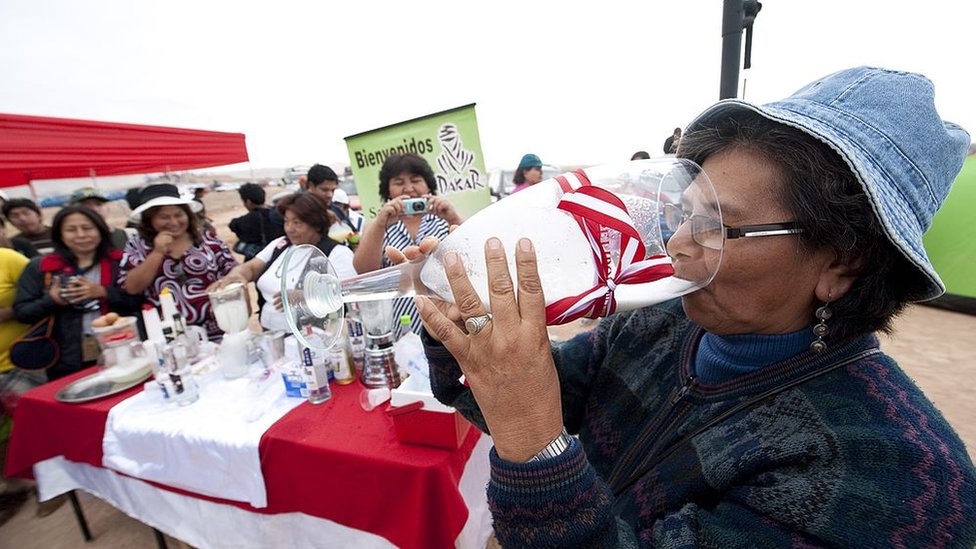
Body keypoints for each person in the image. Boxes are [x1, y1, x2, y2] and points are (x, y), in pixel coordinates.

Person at [408, 67, 976, 546]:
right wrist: (466, 327)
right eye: (683, 215)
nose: (677, 245)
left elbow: (531, 417)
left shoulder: (897, 478)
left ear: (841, 262)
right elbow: (540, 389)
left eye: (717, 228)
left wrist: (533, 439)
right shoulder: (662, 323)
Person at [14, 206, 142, 381]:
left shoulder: (121, 262)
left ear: (100, 230)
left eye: (88, 228)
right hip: (67, 359)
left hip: (123, 350)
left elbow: (139, 302)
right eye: (71, 230)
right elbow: (22, 313)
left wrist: (103, 292)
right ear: (60, 234)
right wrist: (52, 300)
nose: (81, 235)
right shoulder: (42, 267)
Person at [211, 192, 355, 333]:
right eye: (286, 221)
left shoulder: (336, 253)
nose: (289, 229)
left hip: (313, 339)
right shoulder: (280, 245)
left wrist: (307, 296)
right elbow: (252, 267)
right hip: (272, 334)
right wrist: (238, 275)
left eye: (297, 223)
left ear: (316, 224)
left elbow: (347, 293)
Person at [353, 153, 463, 337]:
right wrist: (381, 223)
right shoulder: (379, 225)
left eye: (416, 180)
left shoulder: (443, 219)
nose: (409, 188)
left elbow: (472, 256)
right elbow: (364, 270)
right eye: (398, 182)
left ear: (428, 185)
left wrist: (452, 216)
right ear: (388, 190)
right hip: (402, 325)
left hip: (449, 319)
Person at [119, 183, 237, 341]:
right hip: (169, 337)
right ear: (150, 219)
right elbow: (131, 287)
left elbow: (234, 275)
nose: (173, 222)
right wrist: (157, 252)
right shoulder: (137, 245)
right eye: (164, 217)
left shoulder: (208, 241)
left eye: (179, 215)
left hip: (219, 331)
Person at [228, 183, 285, 262]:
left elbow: (233, 225)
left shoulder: (249, 219)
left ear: (248, 201)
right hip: (280, 257)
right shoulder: (277, 212)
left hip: (260, 262)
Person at [68, 186, 132, 249]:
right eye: (87, 205)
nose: (95, 209)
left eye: (99, 204)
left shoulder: (126, 236)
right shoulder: (67, 239)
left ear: (108, 209)